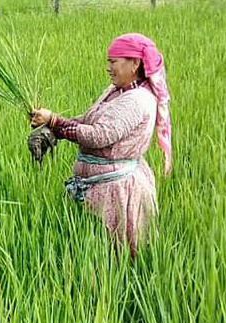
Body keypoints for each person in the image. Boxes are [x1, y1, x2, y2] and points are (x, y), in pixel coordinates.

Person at [30, 33, 172, 256]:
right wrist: (52, 129)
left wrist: (55, 121)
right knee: (88, 248)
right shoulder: (116, 91)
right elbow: (88, 119)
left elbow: (100, 135)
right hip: (95, 185)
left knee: (116, 253)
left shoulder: (137, 100)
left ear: (135, 64)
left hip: (117, 190)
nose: (108, 67)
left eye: (113, 61)